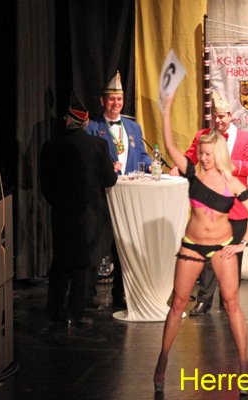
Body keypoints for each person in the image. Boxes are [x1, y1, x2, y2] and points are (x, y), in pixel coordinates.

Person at [153, 91, 248, 394]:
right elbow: (170, 147)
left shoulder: (230, 181)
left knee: (232, 304)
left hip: (223, 244)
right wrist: (167, 109)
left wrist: (243, 244)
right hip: (192, 245)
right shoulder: (193, 174)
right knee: (178, 303)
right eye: (200, 153)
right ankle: (163, 358)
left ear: (218, 155)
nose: (202, 157)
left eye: (207, 154)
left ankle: (243, 362)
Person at [173, 91, 248, 316]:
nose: (219, 120)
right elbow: (190, 158)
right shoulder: (203, 136)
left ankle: (229, 300)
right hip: (210, 206)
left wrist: (229, 164)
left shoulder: (245, 139)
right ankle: (204, 300)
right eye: (215, 116)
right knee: (208, 256)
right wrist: (176, 168)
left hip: (236, 207)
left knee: (233, 256)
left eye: (222, 116)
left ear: (230, 115)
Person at [40, 92, 117, 328]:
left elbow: (45, 186)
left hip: (61, 213)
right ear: (85, 122)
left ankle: (54, 311)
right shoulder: (98, 145)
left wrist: (58, 203)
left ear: (67, 121)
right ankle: (75, 313)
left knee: (61, 262)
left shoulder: (50, 146)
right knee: (83, 265)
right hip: (88, 214)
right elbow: (110, 180)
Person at [86, 70, 152, 309]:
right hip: (103, 195)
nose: (116, 103)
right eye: (112, 99)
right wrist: (105, 166)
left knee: (124, 245)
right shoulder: (92, 127)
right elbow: (87, 161)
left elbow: (142, 155)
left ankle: (121, 293)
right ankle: (88, 294)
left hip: (128, 195)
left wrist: (152, 167)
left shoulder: (133, 127)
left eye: (120, 99)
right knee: (97, 245)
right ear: (103, 101)